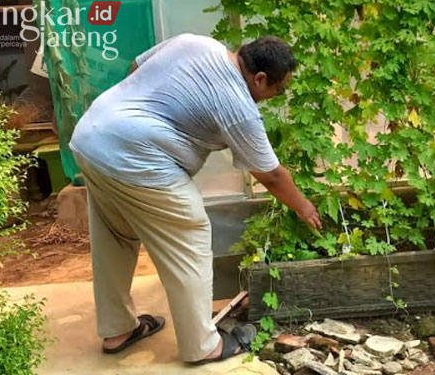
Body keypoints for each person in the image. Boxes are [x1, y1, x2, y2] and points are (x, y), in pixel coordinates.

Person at [70, 34, 322, 364]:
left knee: (115, 236)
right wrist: (304, 207)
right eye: (279, 88)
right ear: (260, 79)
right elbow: (270, 174)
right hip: (137, 159)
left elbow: (137, 65)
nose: (278, 96)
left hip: (91, 136)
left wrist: (130, 117)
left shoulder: (196, 43)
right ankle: (203, 346)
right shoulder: (239, 106)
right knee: (190, 236)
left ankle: (118, 329)